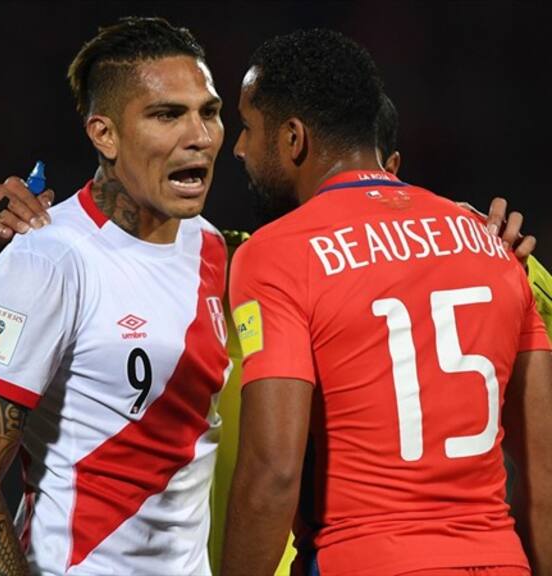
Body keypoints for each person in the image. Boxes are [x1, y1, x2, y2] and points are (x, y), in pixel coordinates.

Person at [221, 28, 552, 576]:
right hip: (499, 560)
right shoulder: (495, 245)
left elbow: (273, 472)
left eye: (249, 129)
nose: (237, 147)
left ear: (293, 139)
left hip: (365, 558)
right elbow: (541, 474)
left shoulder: (278, 254)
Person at [0, 17, 231, 575]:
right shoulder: (47, 260)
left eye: (209, 112)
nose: (199, 135)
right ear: (105, 134)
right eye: (167, 114)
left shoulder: (216, 251)